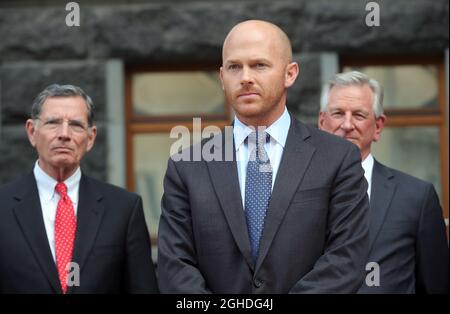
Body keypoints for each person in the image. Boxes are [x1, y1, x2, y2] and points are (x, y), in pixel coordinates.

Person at [157, 20, 370, 293]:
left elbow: (346, 260)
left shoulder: (337, 158)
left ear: (290, 73)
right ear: (222, 78)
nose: (245, 77)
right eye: (234, 67)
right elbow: (175, 266)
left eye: (259, 65)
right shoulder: (186, 166)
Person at [0, 84, 158, 294]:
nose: (64, 134)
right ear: (32, 132)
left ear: (91, 137)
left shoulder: (123, 210)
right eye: (53, 123)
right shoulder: (3, 206)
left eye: (75, 125)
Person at [318, 71, 449, 294]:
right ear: (322, 122)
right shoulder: (294, 192)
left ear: (378, 126)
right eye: (338, 113)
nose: (347, 124)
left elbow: (437, 285)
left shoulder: (417, 198)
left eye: (359, 115)